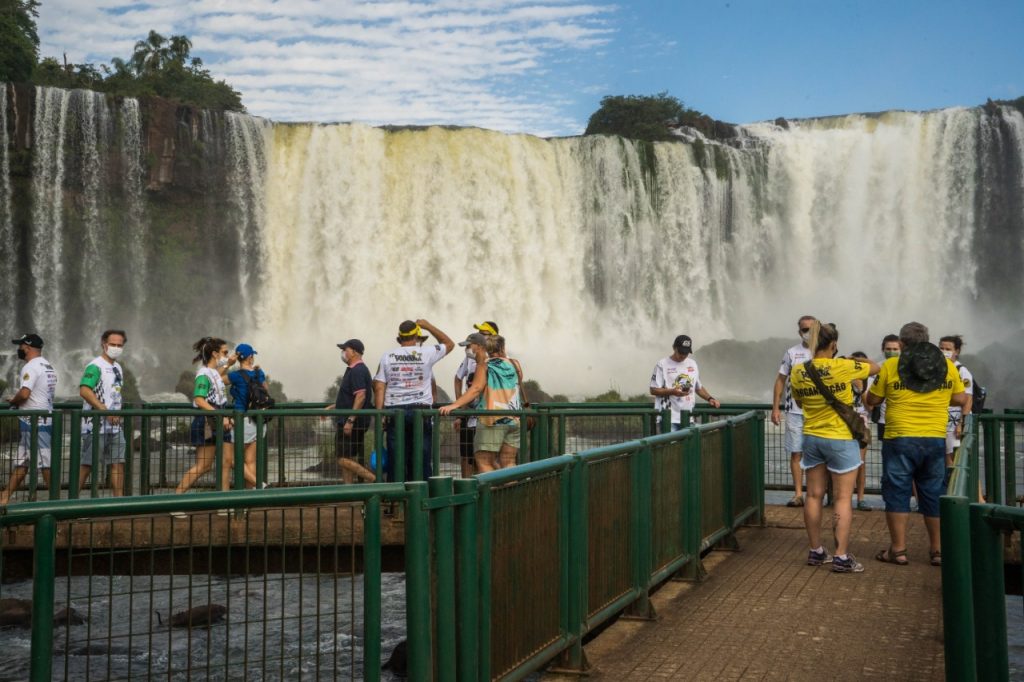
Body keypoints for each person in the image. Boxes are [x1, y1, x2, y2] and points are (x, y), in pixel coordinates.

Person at [863, 322, 967, 567]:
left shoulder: (891, 365)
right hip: (934, 438)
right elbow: (961, 398)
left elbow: (873, 399)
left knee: (897, 492)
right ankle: (937, 551)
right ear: (927, 340)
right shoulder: (946, 366)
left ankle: (898, 551)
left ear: (902, 344)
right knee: (933, 492)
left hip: (899, 437)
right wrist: (937, 395)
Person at [790, 322, 879, 573]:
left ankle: (816, 551)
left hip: (812, 437)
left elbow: (799, 401)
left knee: (813, 495)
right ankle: (841, 556)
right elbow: (876, 367)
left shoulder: (799, 370)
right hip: (840, 439)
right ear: (833, 344)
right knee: (842, 498)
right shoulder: (843, 366)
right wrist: (850, 359)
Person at [373, 319, 454, 481]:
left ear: (399, 337)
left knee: (396, 458)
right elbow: (449, 344)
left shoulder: (387, 356)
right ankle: (422, 492)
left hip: (394, 411)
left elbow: (379, 387)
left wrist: (380, 414)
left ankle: (396, 493)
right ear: (416, 336)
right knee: (422, 457)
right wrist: (428, 326)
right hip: (420, 411)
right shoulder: (427, 353)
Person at [440, 334, 522, 472]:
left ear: (481, 348)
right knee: (508, 462)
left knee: (484, 461)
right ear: (503, 347)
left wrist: (454, 405)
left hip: (492, 419)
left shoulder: (484, 366)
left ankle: (490, 487)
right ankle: (511, 486)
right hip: (514, 418)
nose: (467, 349)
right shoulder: (514, 363)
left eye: (470, 346)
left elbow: (476, 389)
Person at [174, 337, 236, 500]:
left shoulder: (213, 372)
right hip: (208, 422)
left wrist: (228, 364)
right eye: (224, 353)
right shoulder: (203, 374)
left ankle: (224, 503)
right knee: (204, 466)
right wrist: (220, 415)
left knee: (226, 462)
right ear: (215, 354)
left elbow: (217, 378)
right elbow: (199, 399)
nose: (227, 356)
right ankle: (175, 499)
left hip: (219, 419)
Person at [0, 334, 58, 506]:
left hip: (35, 422)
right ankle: (4, 497)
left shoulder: (30, 367)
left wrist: (14, 400)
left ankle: (55, 502)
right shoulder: (47, 366)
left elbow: (25, 394)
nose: (19, 349)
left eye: (20, 346)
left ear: (27, 347)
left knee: (45, 462)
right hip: (39, 419)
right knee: (22, 462)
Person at [771, 315, 816, 508]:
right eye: (805, 329)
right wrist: (775, 408)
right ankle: (798, 494)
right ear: (799, 332)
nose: (808, 333)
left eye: (812, 329)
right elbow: (780, 380)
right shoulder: (792, 353)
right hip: (795, 412)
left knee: (817, 453)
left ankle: (815, 493)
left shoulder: (825, 352)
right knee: (796, 453)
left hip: (819, 412)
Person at [78, 329, 128, 497]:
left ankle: (118, 502)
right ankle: (71, 501)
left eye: (119, 345)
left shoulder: (118, 368)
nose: (116, 348)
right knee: (87, 465)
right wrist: (105, 412)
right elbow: (84, 390)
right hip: (94, 425)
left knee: (118, 463)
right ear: (104, 344)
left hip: (115, 425)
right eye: (113, 344)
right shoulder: (95, 366)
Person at [453, 321, 500, 477]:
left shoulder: (499, 359)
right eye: (479, 333)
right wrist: (460, 410)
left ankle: (494, 487)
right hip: (469, 416)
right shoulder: (470, 358)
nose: (480, 335)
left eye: (484, 333)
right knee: (467, 456)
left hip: (489, 417)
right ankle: (465, 486)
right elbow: (458, 378)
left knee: (487, 458)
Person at [327, 339, 376, 483]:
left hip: (351, 422)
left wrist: (350, 420)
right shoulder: (354, 369)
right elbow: (350, 397)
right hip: (351, 420)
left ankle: (374, 479)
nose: (343, 353)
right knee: (347, 458)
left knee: (342, 458)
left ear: (354, 352)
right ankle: (348, 490)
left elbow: (361, 396)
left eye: (345, 350)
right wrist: (332, 407)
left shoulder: (357, 370)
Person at [226, 343, 268, 489]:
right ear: (250, 357)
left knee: (232, 459)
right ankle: (251, 495)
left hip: (241, 420)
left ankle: (259, 485)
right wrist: (259, 371)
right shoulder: (258, 373)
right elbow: (266, 390)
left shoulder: (235, 376)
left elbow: (216, 380)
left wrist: (227, 364)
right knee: (250, 460)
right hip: (259, 420)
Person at [938, 335, 974, 469]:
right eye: (941, 348)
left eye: (948, 349)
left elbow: (968, 399)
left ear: (957, 351)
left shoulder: (962, 371)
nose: (944, 351)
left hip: (954, 423)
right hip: (941, 422)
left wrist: (961, 424)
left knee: (955, 460)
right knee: (943, 459)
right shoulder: (937, 369)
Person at [848, 351, 872, 511]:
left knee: (860, 462)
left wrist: (860, 389)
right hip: (845, 421)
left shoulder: (870, 381)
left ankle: (861, 498)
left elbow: (870, 407)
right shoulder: (844, 378)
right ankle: (844, 497)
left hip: (862, 422)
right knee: (845, 461)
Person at [868, 334, 901, 441]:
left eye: (895, 349)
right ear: (883, 350)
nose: (891, 352)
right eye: (888, 349)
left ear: (901, 350)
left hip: (902, 420)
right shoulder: (877, 368)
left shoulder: (905, 369)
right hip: (883, 420)